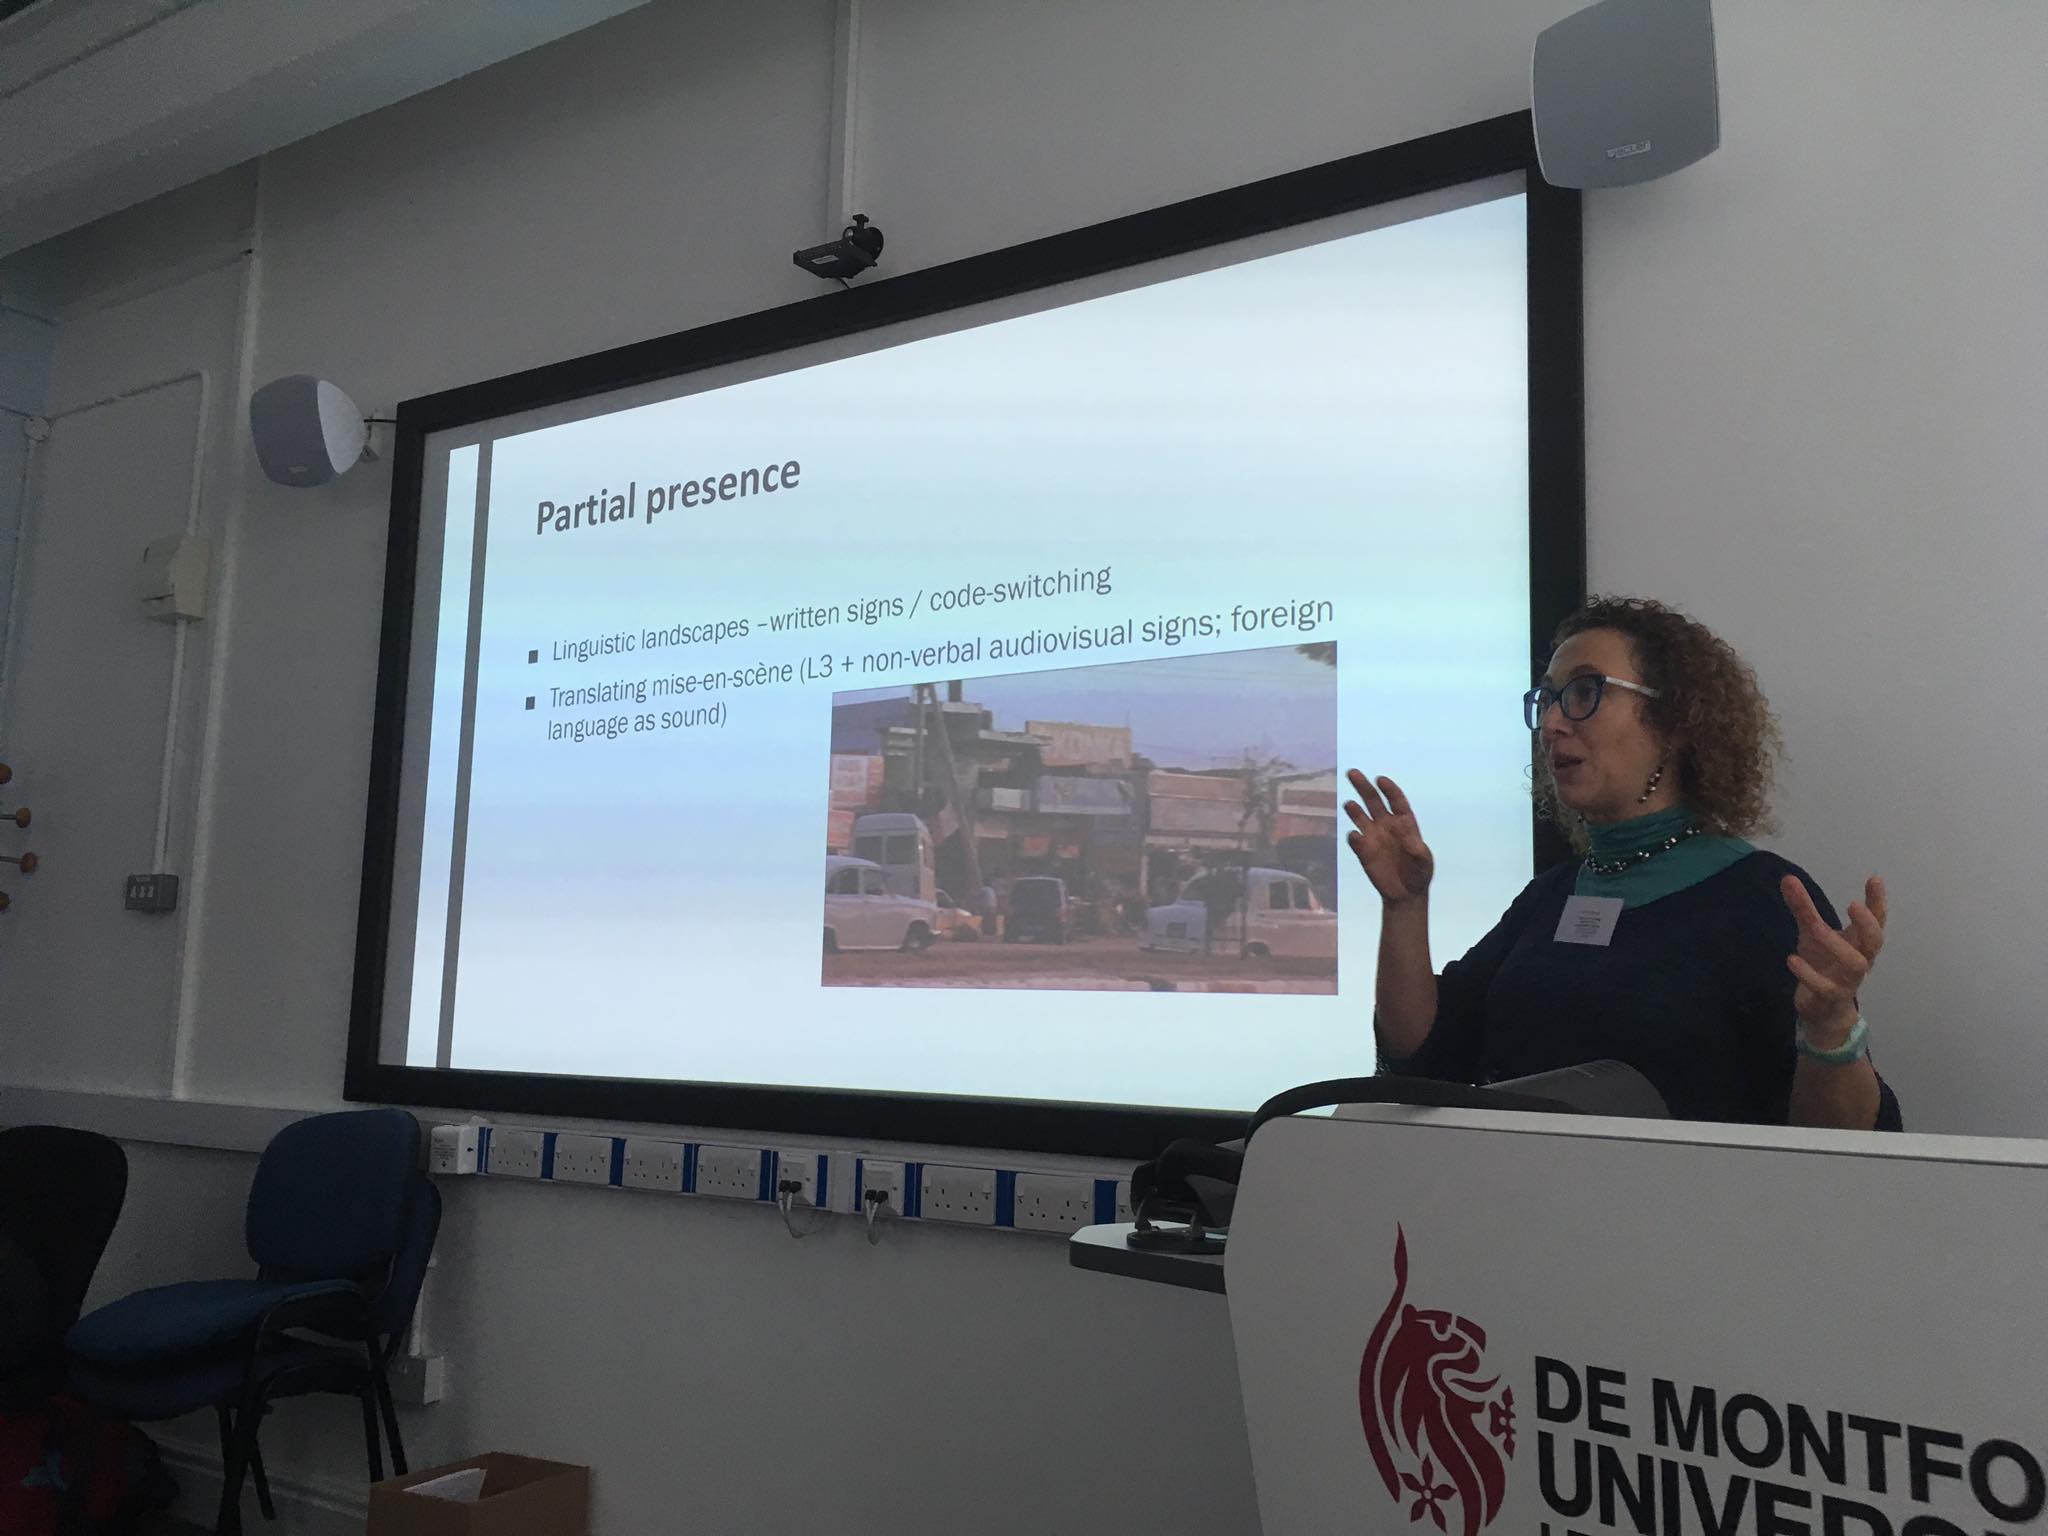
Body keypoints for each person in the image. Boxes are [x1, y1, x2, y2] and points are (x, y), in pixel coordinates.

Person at [1347, 596, 1900, 1130]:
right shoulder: (1550, 897)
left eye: (1585, 692)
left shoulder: (1761, 897)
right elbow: (1422, 1054)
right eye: (1547, 700)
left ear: (1674, 722)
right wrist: (1404, 905)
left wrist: (1830, 1031)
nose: (1553, 724)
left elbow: (1832, 1146)